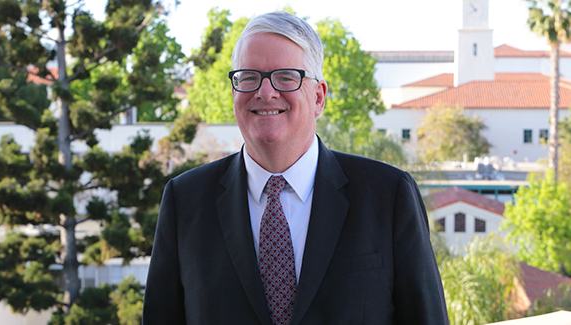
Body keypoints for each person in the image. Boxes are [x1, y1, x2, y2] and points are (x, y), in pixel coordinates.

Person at [142, 11, 448, 325]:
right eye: (249, 77)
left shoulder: (388, 194)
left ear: (319, 96)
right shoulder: (186, 200)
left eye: (286, 76)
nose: (265, 92)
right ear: (234, 91)